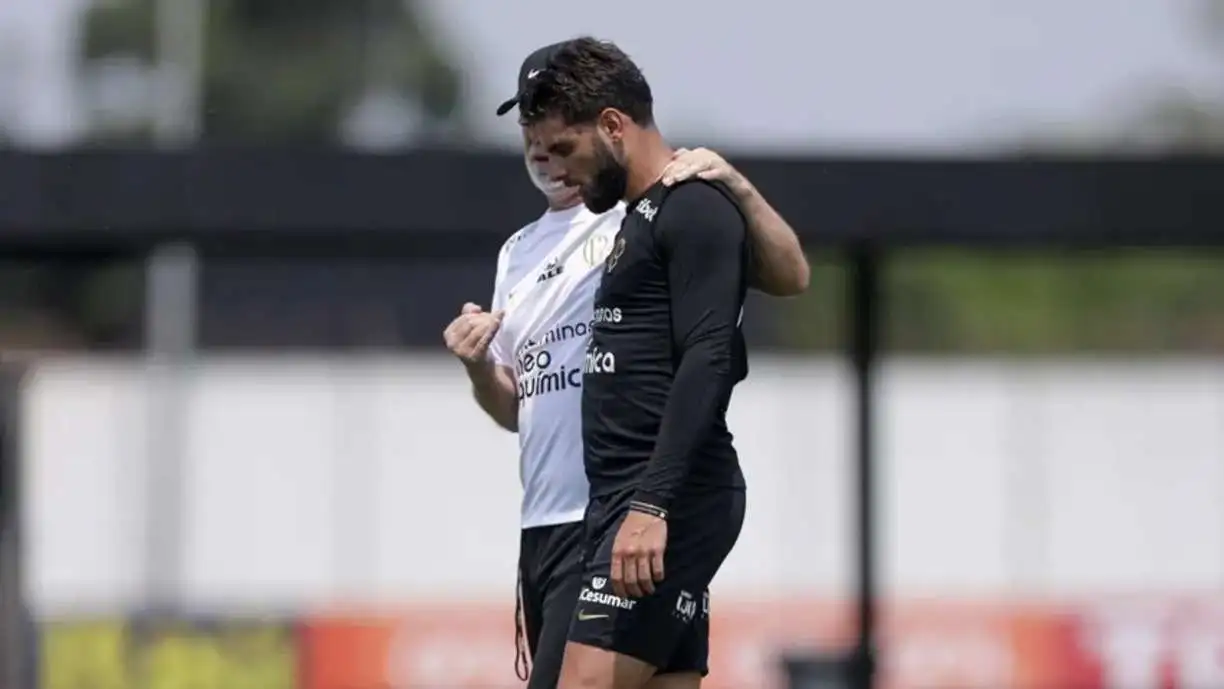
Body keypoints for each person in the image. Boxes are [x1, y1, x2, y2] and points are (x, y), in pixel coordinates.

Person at [442, 42, 808, 689]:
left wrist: (651, 503)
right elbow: (518, 407)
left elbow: (735, 327)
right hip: (588, 510)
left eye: (563, 147)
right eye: (536, 144)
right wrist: (477, 367)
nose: (552, 163)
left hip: (636, 507)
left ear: (610, 126)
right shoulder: (531, 248)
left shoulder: (667, 202)